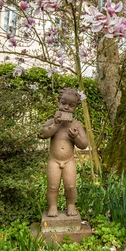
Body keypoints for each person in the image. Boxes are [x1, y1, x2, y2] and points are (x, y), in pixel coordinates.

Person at [40, 88, 88, 217]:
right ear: (59, 102)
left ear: (76, 107)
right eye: (63, 103)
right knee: (53, 186)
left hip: (69, 161)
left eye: (71, 105)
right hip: (54, 160)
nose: (66, 107)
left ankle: (71, 205)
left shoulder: (77, 124)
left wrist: (76, 137)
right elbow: (43, 134)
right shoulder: (52, 121)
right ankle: (52, 206)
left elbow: (84, 145)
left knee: (71, 186)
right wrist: (55, 125)